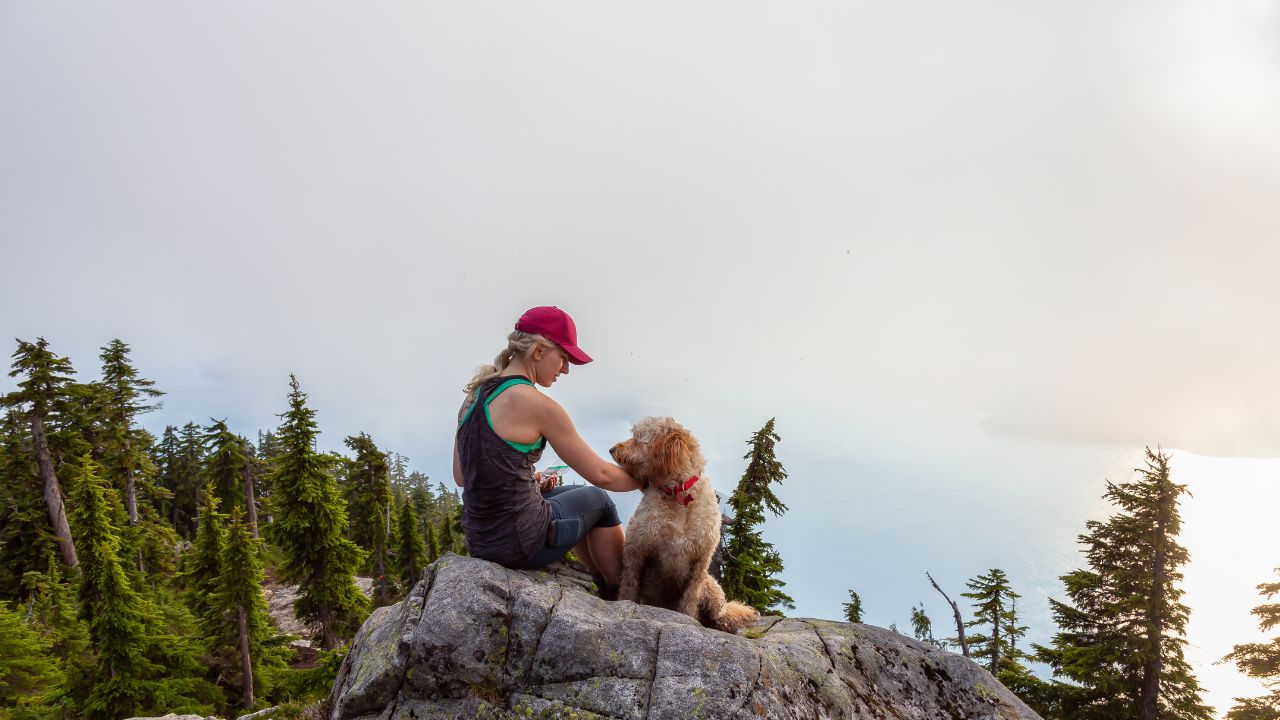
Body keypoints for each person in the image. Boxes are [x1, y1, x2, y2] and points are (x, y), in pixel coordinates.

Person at [453, 306, 641, 597]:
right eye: (563, 358)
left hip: (481, 540)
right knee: (599, 501)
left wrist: (527, 479)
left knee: (573, 493)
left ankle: (598, 579)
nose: (565, 369)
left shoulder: (474, 395)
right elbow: (604, 476)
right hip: (521, 544)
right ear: (539, 351)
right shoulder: (536, 404)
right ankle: (621, 593)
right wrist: (655, 481)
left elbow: (462, 476)